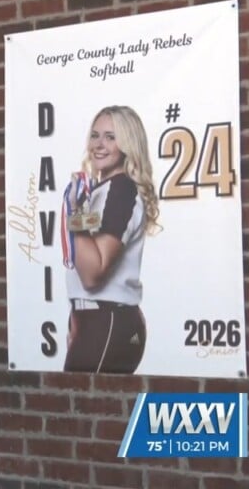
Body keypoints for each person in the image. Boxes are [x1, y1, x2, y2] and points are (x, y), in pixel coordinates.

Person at [63, 105, 160, 374]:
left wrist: (75, 212)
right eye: (95, 135)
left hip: (108, 320)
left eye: (110, 137)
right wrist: (76, 317)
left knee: (79, 410)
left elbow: (94, 273)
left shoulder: (121, 189)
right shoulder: (103, 189)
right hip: (95, 319)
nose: (99, 144)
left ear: (128, 144)